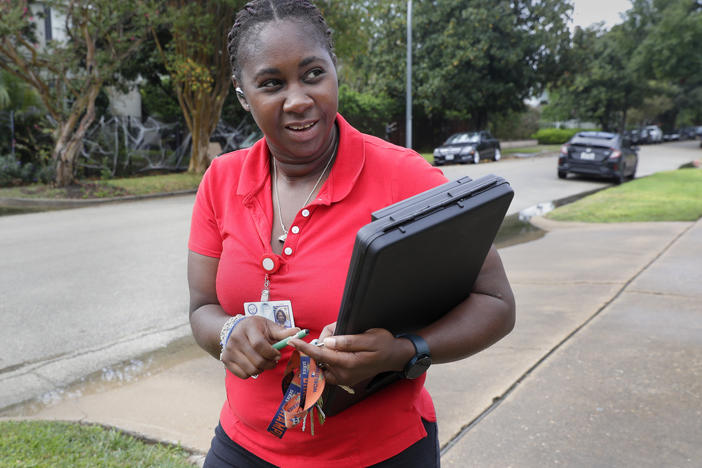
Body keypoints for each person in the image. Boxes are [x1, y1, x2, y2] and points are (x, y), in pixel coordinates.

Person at [187, 1, 515, 467]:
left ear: (334, 72)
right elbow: (202, 309)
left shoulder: (406, 178)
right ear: (243, 95)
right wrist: (229, 330)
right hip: (244, 448)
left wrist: (402, 352)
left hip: (378, 453)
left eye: (313, 74)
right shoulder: (220, 181)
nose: (298, 99)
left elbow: (496, 304)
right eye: (272, 83)